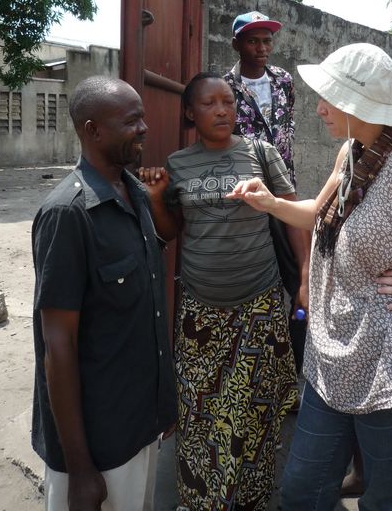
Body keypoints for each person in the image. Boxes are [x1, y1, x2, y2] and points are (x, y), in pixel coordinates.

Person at [228, 42, 392, 511]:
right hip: (336, 353)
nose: (319, 107)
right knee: (303, 490)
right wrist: (271, 204)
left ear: (360, 103)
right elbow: (318, 215)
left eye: (330, 97)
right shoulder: (354, 151)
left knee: (386, 500)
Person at [141, 72, 304, 511]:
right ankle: (199, 499)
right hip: (201, 309)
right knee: (198, 411)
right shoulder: (177, 164)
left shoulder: (261, 153)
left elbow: (292, 215)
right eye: (209, 103)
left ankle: (248, 499)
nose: (222, 110)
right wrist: (157, 197)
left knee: (252, 412)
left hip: (258, 304)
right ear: (190, 113)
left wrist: (305, 275)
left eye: (228, 102)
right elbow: (171, 232)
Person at [32, 76, 176, 511]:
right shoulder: (67, 215)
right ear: (93, 130)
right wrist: (79, 469)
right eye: (131, 121)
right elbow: (58, 344)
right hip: (95, 445)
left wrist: (162, 408)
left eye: (142, 118)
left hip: (140, 425)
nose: (144, 128)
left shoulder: (135, 194)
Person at [224, 11, 309, 377]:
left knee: (299, 274)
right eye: (253, 41)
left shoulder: (283, 80)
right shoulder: (225, 87)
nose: (262, 48)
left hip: (284, 187)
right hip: (248, 193)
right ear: (237, 44)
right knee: (255, 274)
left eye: (267, 41)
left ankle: (296, 359)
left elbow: (286, 127)